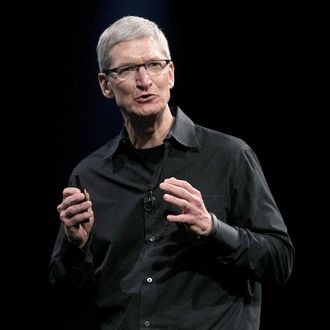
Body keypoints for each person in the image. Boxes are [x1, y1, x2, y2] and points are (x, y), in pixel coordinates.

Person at [49, 15, 295, 330]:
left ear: (171, 74)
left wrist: (213, 229)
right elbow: (67, 298)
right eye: (126, 70)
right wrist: (76, 247)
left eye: (154, 65)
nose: (144, 81)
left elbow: (280, 261)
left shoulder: (229, 156)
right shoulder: (91, 174)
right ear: (105, 85)